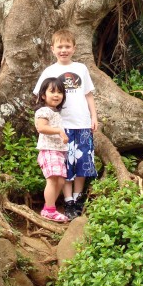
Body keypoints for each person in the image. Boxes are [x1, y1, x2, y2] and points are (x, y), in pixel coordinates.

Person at [33, 29, 98, 220]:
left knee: (83, 163)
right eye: (60, 46)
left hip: (83, 123)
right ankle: (68, 200)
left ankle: (78, 198)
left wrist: (94, 117)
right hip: (62, 125)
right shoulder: (50, 71)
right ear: (52, 49)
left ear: (74, 48)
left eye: (67, 46)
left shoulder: (81, 68)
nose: (64, 50)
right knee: (67, 165)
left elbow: (88, 94)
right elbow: (40, 94)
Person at [35, 77, 69, 223]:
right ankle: (50, 210)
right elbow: (41, 127)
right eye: (52, 91)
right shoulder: (44, 110)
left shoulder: (55, 112)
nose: (56, 95)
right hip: (48, 150)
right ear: (43, 95)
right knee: (53, 180)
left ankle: (48, 208)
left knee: (61, 181)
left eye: (60, 92)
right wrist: (60, 132)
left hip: (57, 152)